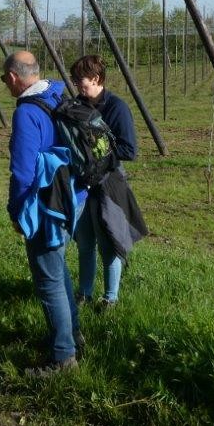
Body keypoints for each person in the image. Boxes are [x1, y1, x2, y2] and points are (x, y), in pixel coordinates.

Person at [1, 50, 86, 377]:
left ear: (13, 77)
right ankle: (73, 335)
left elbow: (22, 172)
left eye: (4, 79)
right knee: (58, 268)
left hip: (46, 204)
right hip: (72, 196)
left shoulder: (26, 113)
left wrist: (16, 212)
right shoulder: (57, 94)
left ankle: (63, 357)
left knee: (48, 280)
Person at [69, 54, 144, 309]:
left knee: (109, 239)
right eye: (75, 80)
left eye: (82, 80)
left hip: (107, 183)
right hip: (82, 183)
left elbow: (128, 149)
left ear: (97, 79)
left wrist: (99, 159)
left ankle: (110, 297)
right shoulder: (77, 105)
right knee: (85, 240)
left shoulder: (116, 107)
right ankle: (84, 293)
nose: (78, 85)